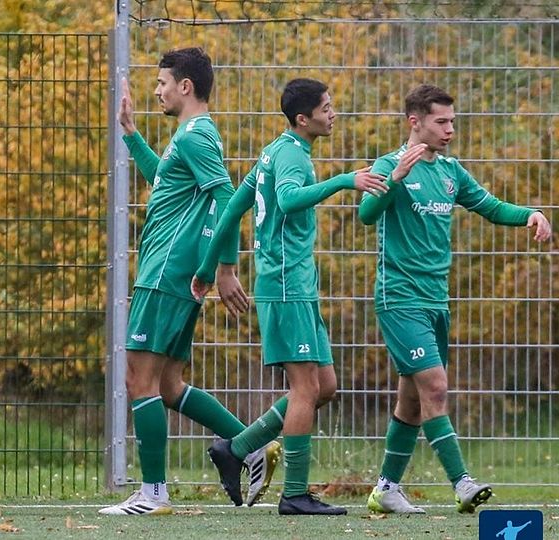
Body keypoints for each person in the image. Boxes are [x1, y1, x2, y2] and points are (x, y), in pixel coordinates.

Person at [193, 78, 387, 515]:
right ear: (304, 119)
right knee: (304, 390)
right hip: (285, 285)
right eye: (326, 107)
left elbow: (232, 209)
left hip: (297, 285)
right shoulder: (292, 156)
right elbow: (289, 199)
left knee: (325, 386)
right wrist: (344, 180)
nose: (333, 113)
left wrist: (214, 270)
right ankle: (295, 495)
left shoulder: (273, 152)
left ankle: (237, 447)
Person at [99, 47, 278, 517]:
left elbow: (229, 198)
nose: (155, 90)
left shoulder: (197, 136)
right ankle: (249, 446)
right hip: (176, 273)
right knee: (170, 387)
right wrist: (132, 133)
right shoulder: (192, 135)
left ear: (185, 86)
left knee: (139, 380)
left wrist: (224, 268)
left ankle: (153, 494)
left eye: (161, 82)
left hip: (166, 273)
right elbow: (163, 180)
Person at [360, 84, 551, 515]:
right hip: (399, 298)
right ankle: (462, 482)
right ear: (416, 122)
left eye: (452, 122)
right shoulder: (390, 165)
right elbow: (366, 216)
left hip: (435, 301)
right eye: (441, 122)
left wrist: (531, 213)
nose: (450, 130)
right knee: (436, 387)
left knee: (412, 401)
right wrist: (393, 181)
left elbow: (491, 206)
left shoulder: (450, 171)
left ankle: (386, 489)